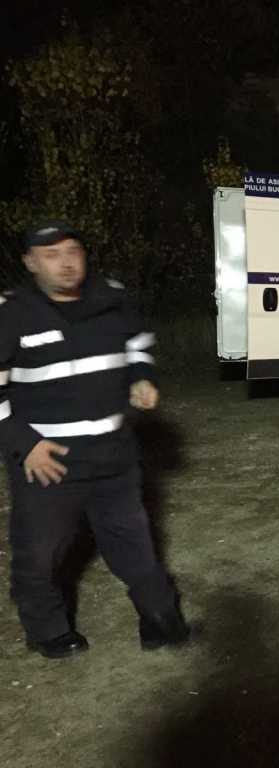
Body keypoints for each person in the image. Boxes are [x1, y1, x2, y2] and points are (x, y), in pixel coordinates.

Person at [0, 221, 190, 658]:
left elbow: (138, 341)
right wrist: (23, 443)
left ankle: (160, 620)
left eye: (72, 251)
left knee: (135, 544)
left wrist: (141, 375)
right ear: (30, 263)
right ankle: (48, 631)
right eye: (51, 255)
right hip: (48, 461)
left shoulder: (111, 297)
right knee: (40, 555)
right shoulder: (12, 314)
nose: (65, 263)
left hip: (113, 454)